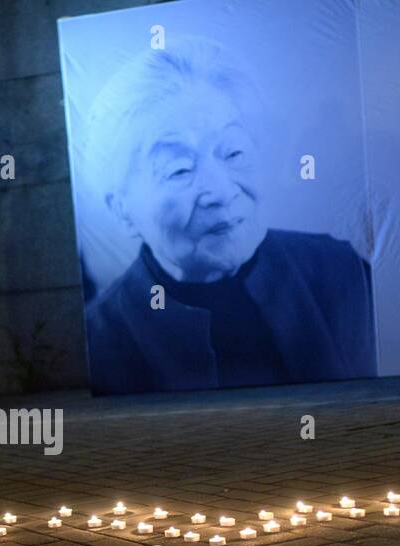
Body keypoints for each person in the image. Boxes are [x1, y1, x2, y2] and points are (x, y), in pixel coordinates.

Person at [81, 40, 375, 395]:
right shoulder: (99, 339)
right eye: (179, 170)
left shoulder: (339, 270)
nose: (221, 191)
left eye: (233, 151)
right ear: (123, 210)